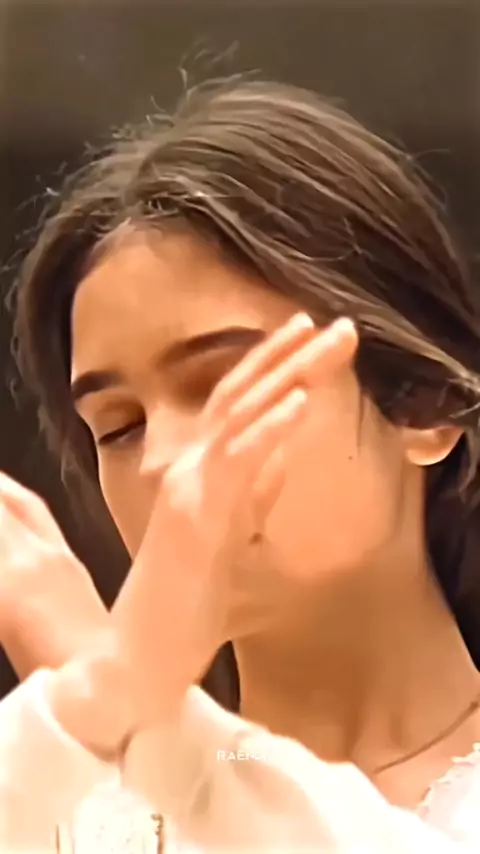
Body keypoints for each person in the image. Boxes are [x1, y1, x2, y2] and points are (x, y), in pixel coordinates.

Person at [2, 75, 480, 851]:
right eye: (119, 427)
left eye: (225, 387)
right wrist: (98, 703)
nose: (164, 464)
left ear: (425, 407)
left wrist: (105, 679)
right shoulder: (61, 798)